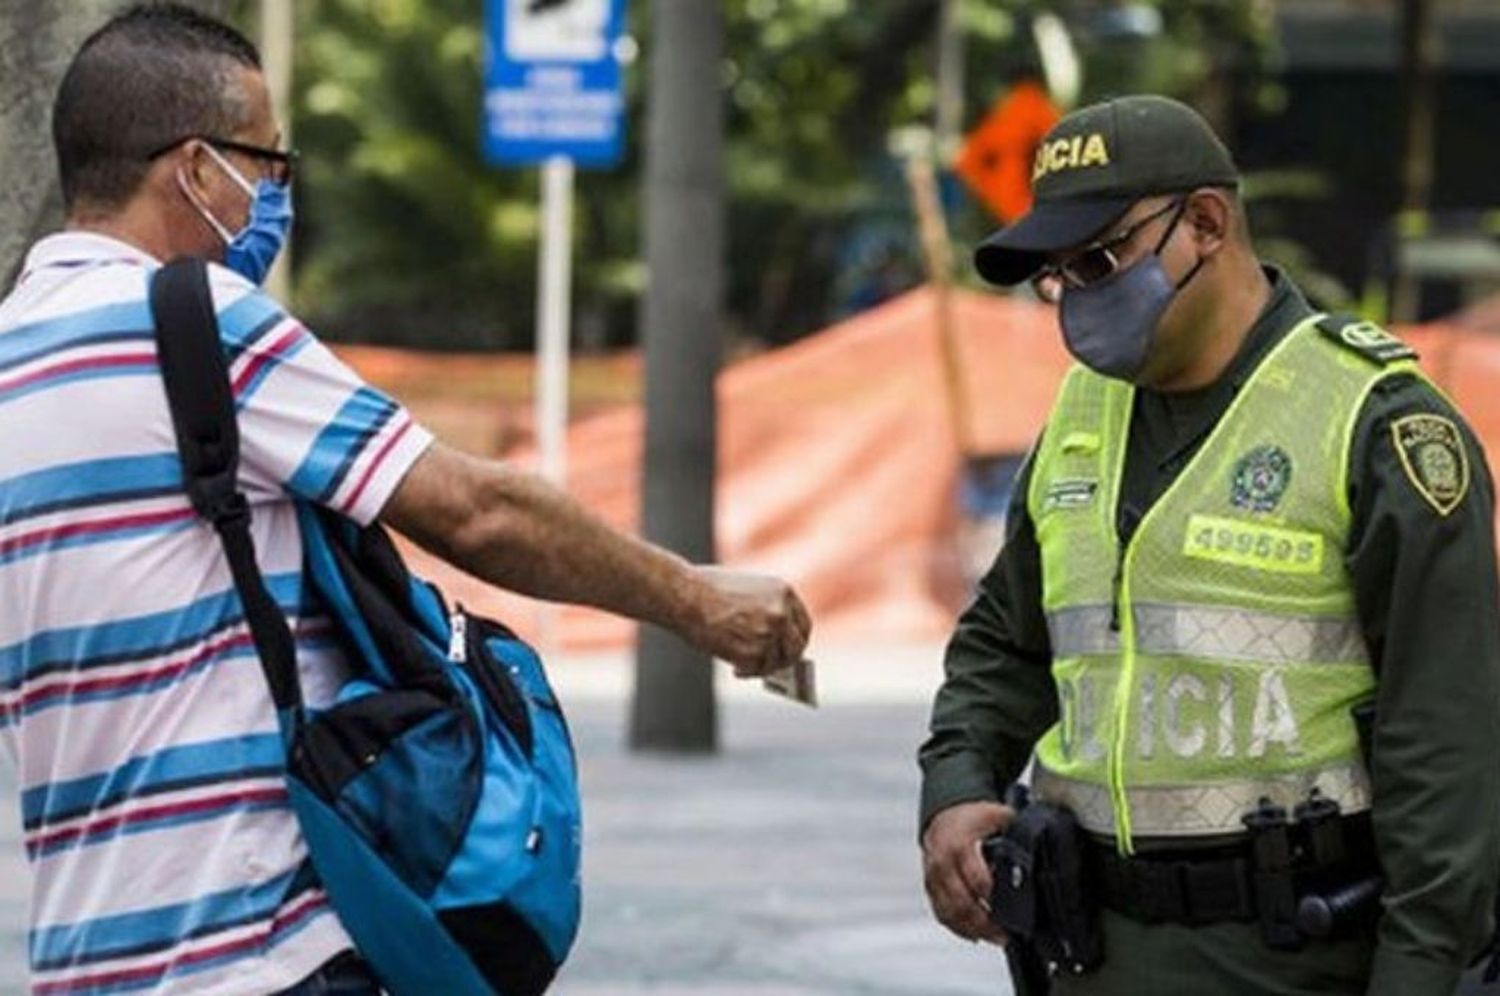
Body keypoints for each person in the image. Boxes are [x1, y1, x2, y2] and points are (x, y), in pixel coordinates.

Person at [0, 5, 810, 994]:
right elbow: (474, 509)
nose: (275, 192)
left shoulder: (14, 360)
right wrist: (693, 599)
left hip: (84, 960)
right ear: (196, 168)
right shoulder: (194, 319)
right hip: (257, 957)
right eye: (269, 162)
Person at [918, 94, 1500, 995]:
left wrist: (1420, 975)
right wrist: (957, 785)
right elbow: (1005, 639)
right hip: (1090, 956)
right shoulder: (1082, 415)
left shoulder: (1372, 426)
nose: (1076, 297)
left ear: (1205, 223)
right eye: (1057, 274)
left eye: (1100, 260)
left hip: (1292, 959)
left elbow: (1449, 754)